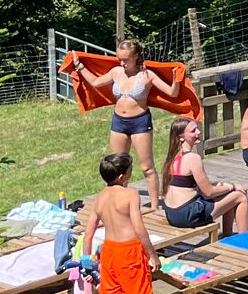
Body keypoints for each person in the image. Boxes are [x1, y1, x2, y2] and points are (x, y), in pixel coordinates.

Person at [68, 39, 179, 209]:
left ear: (136, 56)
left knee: (147, 167)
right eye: (119, 58)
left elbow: (172, 93)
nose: (122, 62)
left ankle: (155, 206)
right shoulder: (116, 72)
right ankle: (120, 203)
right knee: (117, 166)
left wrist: (176, 79)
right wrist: (79, 66)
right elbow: (96, 83)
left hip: (140, 122)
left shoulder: (147, 75)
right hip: (119, 122)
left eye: (125, 59)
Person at [79, 152, 161, 294]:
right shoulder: (130, 195)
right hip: (129, 252)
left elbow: (87, 235)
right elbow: (139, 229)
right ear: (123, 176)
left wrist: (86, 262)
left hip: (109, 253)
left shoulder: (100, 197)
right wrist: (152, 254)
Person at [161, 117, 248, 235]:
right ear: (181, 137)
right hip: (187, 214)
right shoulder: (193, 158)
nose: (198, 132)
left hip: (171, 213)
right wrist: (232, 186)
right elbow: (208, 192)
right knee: (240, 196)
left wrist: (226, 188)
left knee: (227, 195)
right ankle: (245, 240)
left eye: (197, 129)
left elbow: (195, 188)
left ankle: (227, 236)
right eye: (193, 131)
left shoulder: (172, 157)